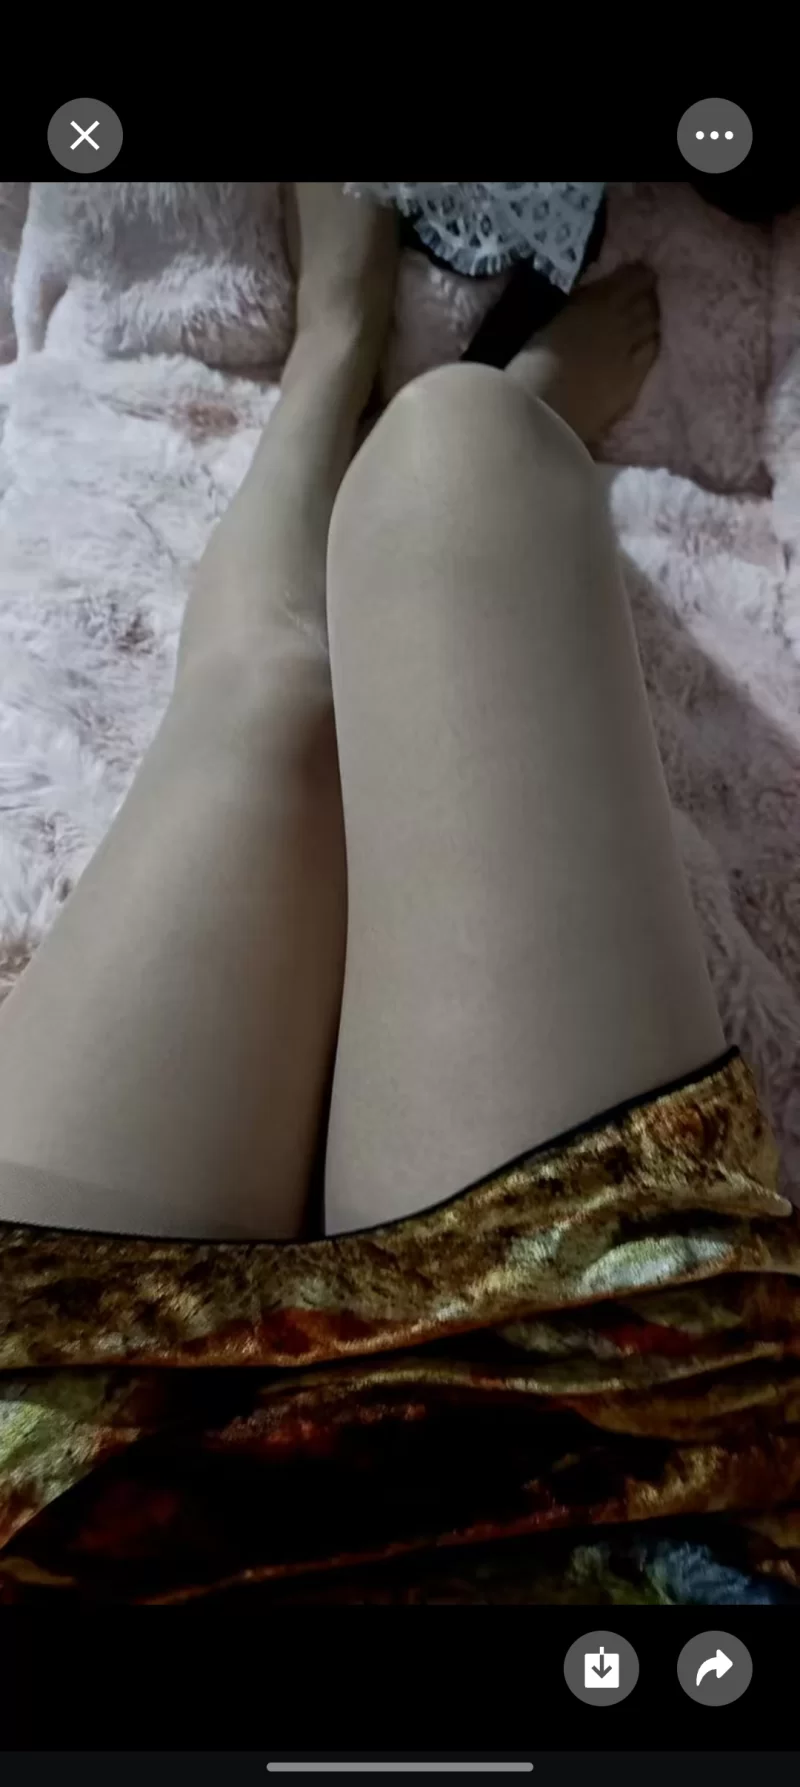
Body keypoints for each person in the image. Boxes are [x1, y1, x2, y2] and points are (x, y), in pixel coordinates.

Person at [0, 182, 726, 1243]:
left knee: (276, 694)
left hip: (49, 1327)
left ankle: (330, 357)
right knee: (461, 448)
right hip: (566, 1327)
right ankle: (475, 404)